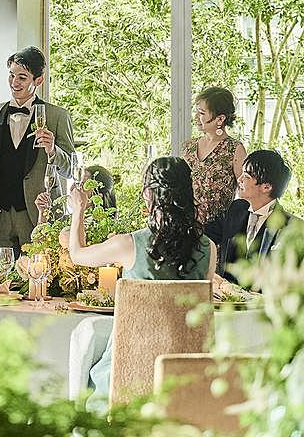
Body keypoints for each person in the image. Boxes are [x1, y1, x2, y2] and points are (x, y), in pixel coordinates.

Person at [68, 157, 217, 411]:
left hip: (126, 379)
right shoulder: (209, 249)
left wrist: (79, 210)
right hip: (183, 382)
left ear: (149, 195)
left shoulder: (128, 245)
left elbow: (77, 254)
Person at [0, 46, 74, 257]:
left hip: (39, 213)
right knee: (0, 272)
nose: (14, 82)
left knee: (37, 271)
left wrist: (52, 150)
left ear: (38, 80)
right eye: (11, 75)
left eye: (22, 77)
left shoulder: (57, 116)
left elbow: (71, 168)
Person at [205, 149, 297, 282]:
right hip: (227, 293)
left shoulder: (290, 228)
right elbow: (204, 236)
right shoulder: (235, 210)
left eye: (246, 176)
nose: (239, 179)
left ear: (266, 187)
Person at [182, 86, 247, 223]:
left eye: (202, 113)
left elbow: (246, 192)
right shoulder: (189, 147)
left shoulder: (235, 149)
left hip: (219, 228)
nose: (196, 117)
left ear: (220, 119)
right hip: (186, 225)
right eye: (197, 111)